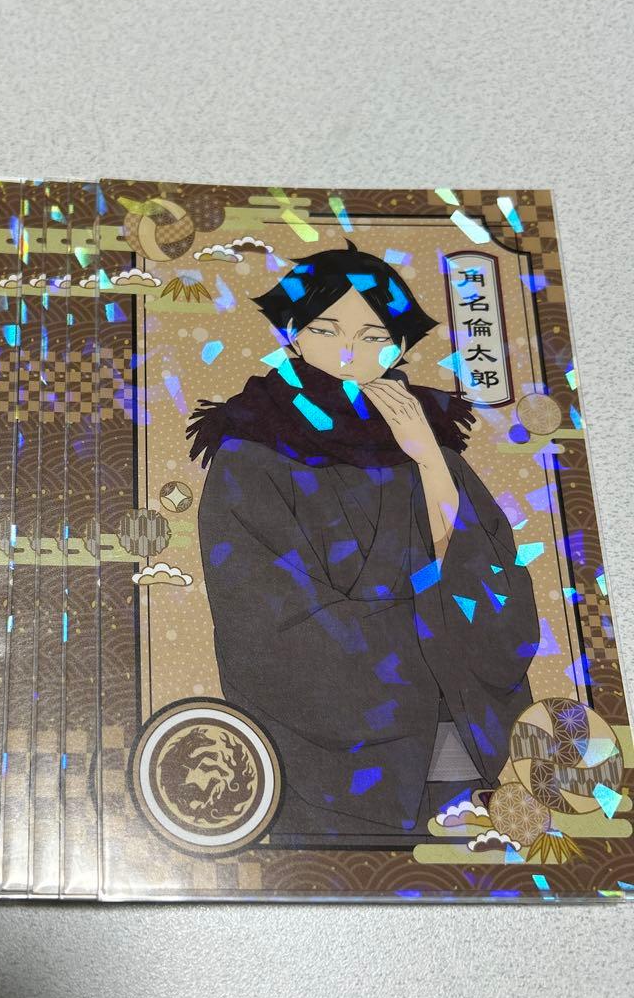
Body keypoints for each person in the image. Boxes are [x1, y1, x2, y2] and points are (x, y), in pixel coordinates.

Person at [187, 242, 540, 847]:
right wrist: (431, 625)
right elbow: (267, 624)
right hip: (331, 769)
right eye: (326, 329)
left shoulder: (431, 441)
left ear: (399, 345)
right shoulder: (250, 451)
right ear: (293, 334)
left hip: (463, 751)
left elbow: (500, 600)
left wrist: (429, 461)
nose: (349, 351)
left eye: (374, 334)